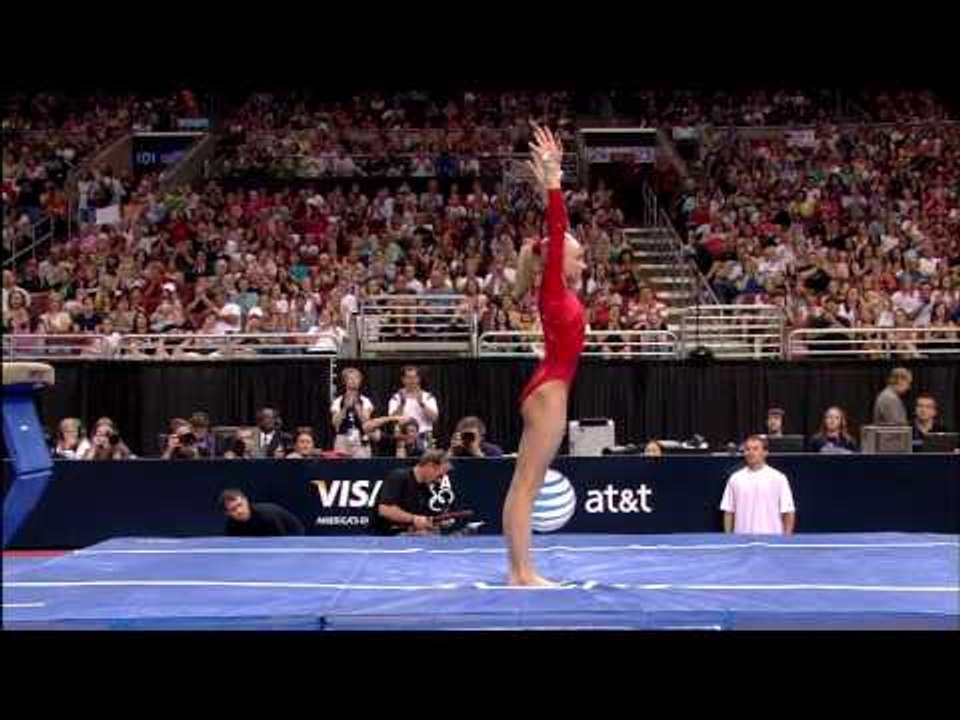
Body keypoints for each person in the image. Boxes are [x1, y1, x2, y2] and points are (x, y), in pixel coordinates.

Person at [502, 123, 587, 586]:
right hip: (550, 389)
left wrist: (548, 180)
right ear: (557, 262)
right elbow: (557, 230)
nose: (584, 261)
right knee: (527, 486)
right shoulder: (552, 287)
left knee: (524, 483)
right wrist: (553, 182)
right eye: (579, 256)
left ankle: (520, 571)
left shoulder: (558, 288)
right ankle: (522, 574)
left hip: (550, 385)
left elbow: (558, 234)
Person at [720, 436, 796, 535]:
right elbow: (728, 511)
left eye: (755, 449)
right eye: (747, 449)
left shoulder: (779, 478)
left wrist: (786, 540)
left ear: (765, 452)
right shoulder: (735, 479)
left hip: (772, 540)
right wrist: (728, 539)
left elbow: (788, 512)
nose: (751, 453)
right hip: (742, 540)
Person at [369, 450, 454, 536]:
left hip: (408, 535)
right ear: (430, 466)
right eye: (440, 476)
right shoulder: (399, 477)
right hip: (384, 535)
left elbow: (422, 520)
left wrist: (432, 524)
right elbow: (385, 510)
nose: (439, 480)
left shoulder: (426, 488)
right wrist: (414, 519)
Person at [329, 367, 375, 458]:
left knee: (362, 467)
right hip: (342, 438)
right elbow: (335, 424)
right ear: (344, 381)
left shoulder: (365, 400)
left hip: (360, 438)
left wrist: (358, 407)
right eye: (350, 378)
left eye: (357, 378)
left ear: (360, 381)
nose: (354, 381)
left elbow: (366, 423)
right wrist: (345, 408)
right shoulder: (338, 401)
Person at [219, 489, 305, 537]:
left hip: (292, 534)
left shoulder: (267, 516)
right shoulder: (231, 525)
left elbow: (281, 542)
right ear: (227, 513)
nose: (239, 511)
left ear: (246, 500)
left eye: (240, 505)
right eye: (233, 509)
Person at [387, 365, 439, 442]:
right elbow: (392, 420)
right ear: (403, 379)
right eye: (408, 377)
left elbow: (434, 418)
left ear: (419, 379)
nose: (412, 380)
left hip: (424, 436)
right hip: (404, 437)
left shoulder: (428, 396)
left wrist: (422, 404)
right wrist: (402, 404)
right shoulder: (396, 397)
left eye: (415, 377)